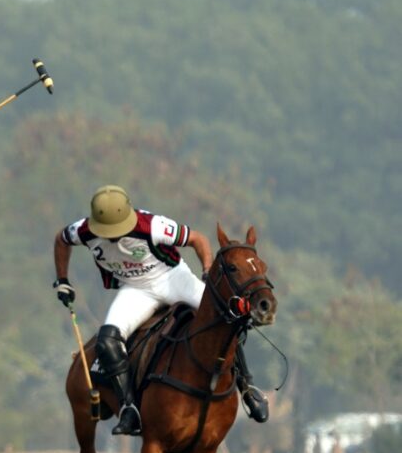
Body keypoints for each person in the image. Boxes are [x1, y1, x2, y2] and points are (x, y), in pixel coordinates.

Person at [53, 185, 268, 435]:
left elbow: (198, 239)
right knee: (107, 341)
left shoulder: (151, 225)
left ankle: (247, 386)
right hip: (135, 289)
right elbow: (60, 239)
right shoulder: (82, 230)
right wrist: (63, 280)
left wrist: (207, 272)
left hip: (173, 279)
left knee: (228, 319)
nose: (113, 236)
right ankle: (129, 409)